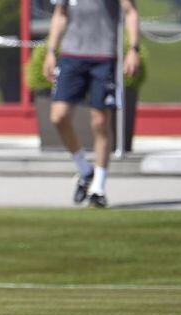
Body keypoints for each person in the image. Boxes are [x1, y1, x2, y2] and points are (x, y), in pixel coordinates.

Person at [44, 0, 140, 208]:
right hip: (71, 56)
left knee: (100, 122)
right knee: (58, 116)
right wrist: (51, 50)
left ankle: (98, 187)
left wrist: (133, 48)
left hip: (104, 57)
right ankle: (84, 169)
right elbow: (60, 14)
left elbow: (130, 11)